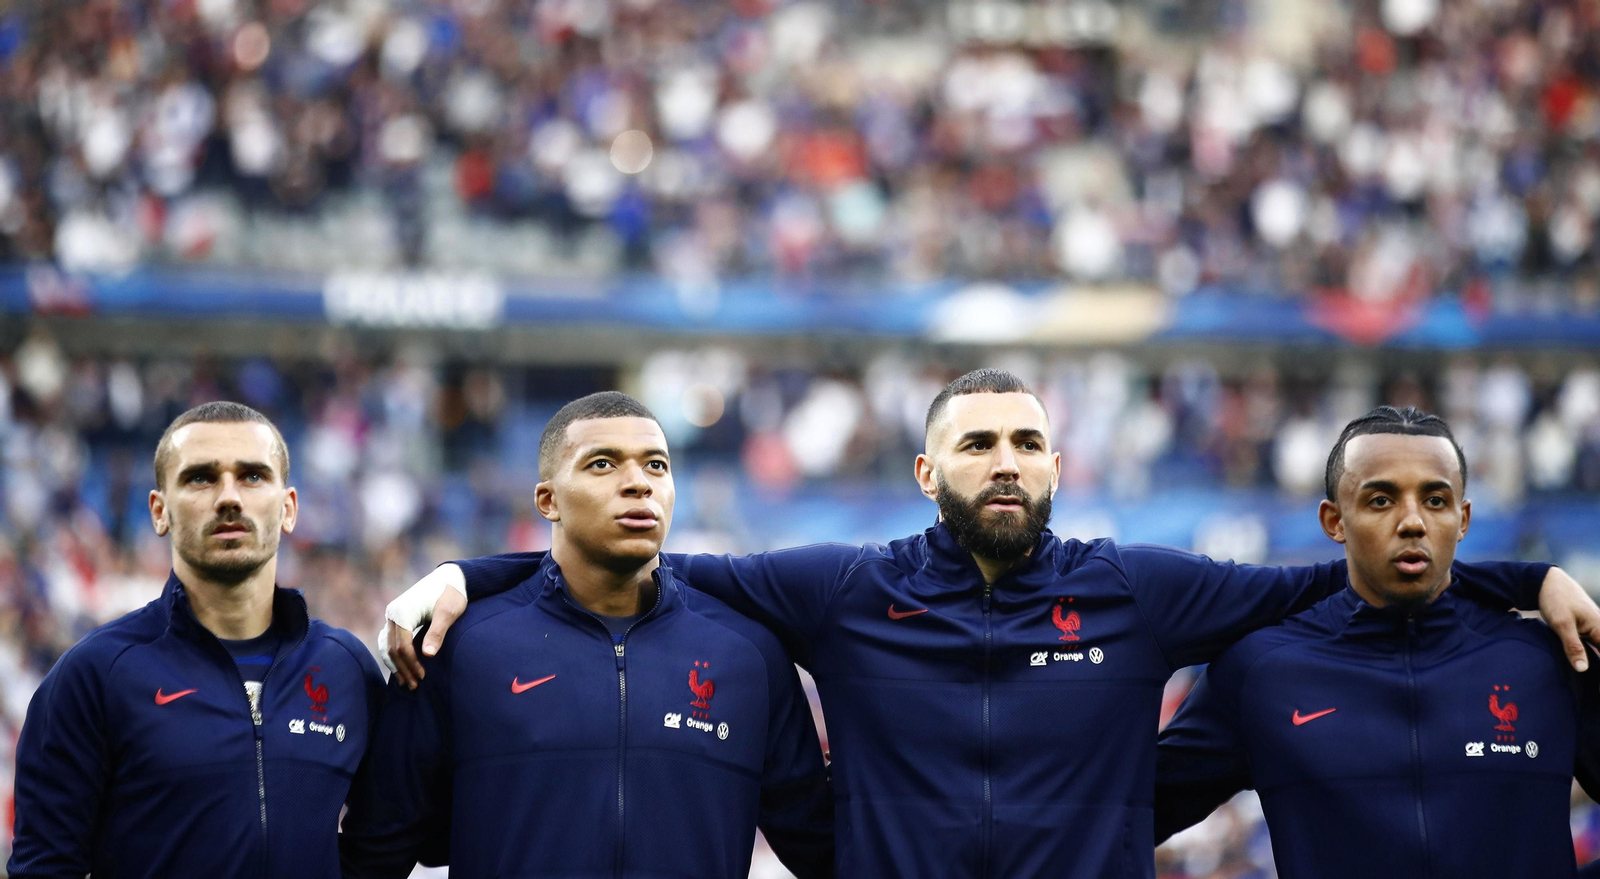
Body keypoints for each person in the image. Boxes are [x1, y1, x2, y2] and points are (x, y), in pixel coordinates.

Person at [383, 370, 1599, 879]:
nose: (1004, 463)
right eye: (978, 444)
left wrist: (1520, 577)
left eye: (1025, 443)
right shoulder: (841, 588)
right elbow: (639, 556)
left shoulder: (1139, 588)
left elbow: (1350, 571)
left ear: (1057, 463)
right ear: (927, 471)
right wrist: (471, 575)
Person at [338, 392, 833, 879]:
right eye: (603, 464)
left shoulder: (749, 657)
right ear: (547, 500)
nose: (638, 483)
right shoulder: (458, 645)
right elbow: (379, 852)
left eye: (656, 466)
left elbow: (827, 850)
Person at [1154, 407, 1600, 878]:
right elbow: (1119, 816)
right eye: (1382, 500)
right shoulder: (1262, 672)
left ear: (1463, 518)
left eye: (1435, 500)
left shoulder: (1549, 660)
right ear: (1334, 521)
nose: (1412, 522)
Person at [8, 402, 385, 879]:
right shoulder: (94, 676)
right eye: (201, 478)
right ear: (159, 511)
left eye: (252, 476)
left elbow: (383, 842)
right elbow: (43, 866)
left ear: (289, 508)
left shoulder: (346, 668)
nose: (229, 497)